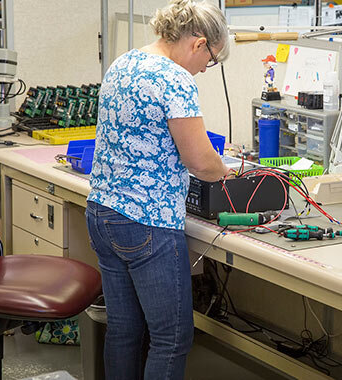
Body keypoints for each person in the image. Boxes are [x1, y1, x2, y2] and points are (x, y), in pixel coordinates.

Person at [85, 0, 231, 378]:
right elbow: (200, 161)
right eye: (210, 60)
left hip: (102, 212)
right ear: (199, 44)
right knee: (171, 338)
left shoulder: (125, 62)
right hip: (146, 222)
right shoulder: (175, 79)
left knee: (124, 329)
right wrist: (228, 172)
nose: (204, 69)